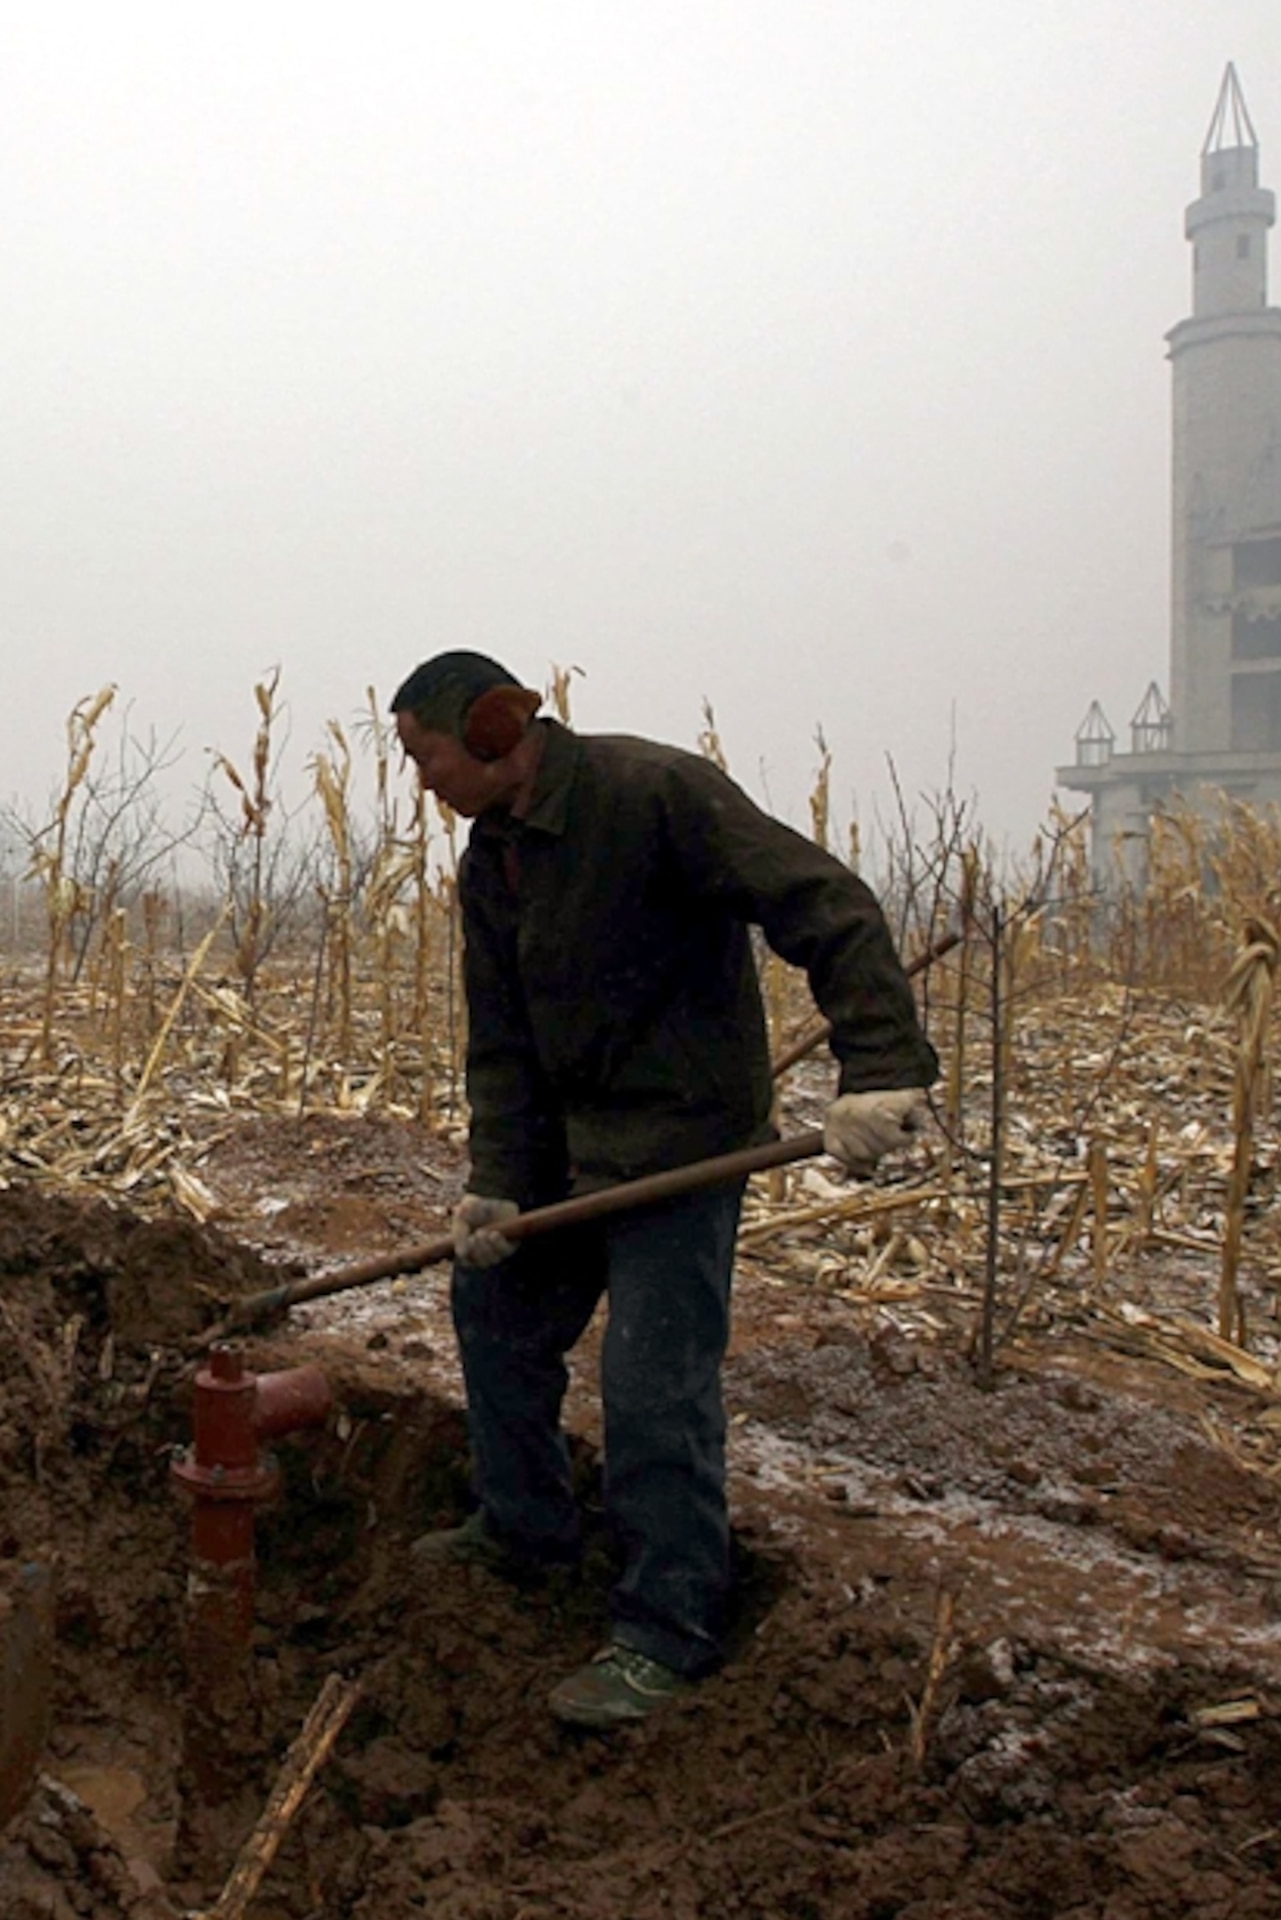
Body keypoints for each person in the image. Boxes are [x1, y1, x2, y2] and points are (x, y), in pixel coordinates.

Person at [392, 650, 938, 1729]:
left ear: (498, 729)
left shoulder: (654, 796)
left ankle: (666, 1629)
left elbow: (826, 903)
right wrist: (497, 1186)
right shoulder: (490, 860)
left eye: (428, 753)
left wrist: (881, 1070)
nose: (422, 782)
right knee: (493, 1310)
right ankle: (527, 1531)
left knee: (651, 1385)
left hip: (682, 1149)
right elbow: (500, 1044)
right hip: (566, 1154)